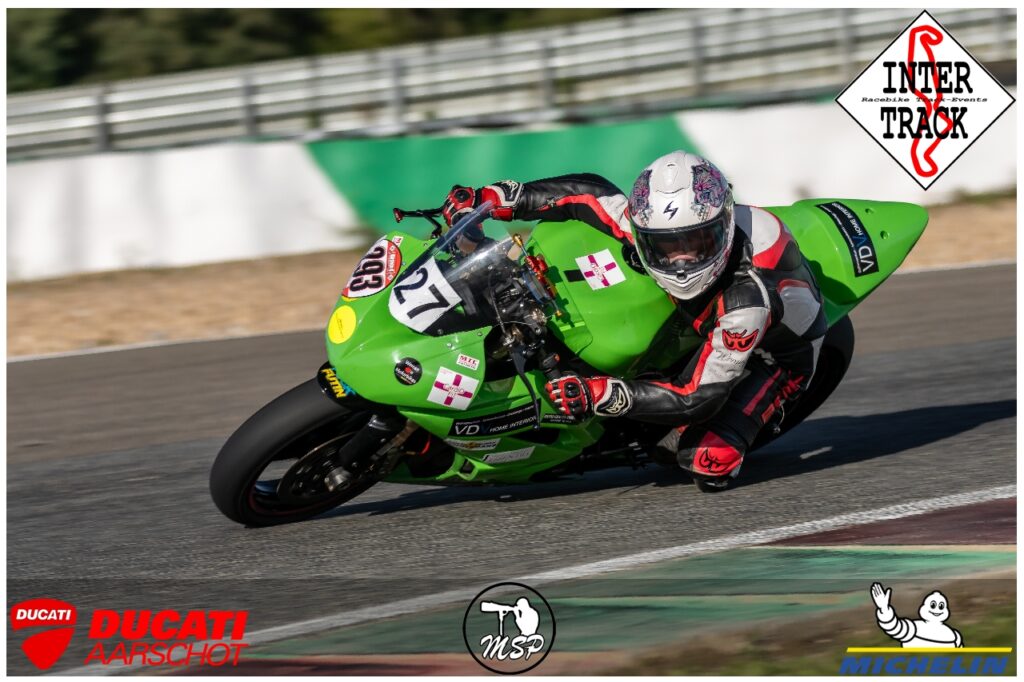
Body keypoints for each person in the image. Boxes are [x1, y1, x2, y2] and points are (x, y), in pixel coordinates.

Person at [439, 151, 827, 490]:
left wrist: (600, 395)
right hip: (698, 316)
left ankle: (751, 419)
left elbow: (696, 396)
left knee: (702, 459)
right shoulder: (647, 219)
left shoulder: (745, 303)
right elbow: (586, 194)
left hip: (777, 357)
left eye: (696, 244)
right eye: (665, 246)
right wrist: (493, 199)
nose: (681, 261)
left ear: (723, 227)